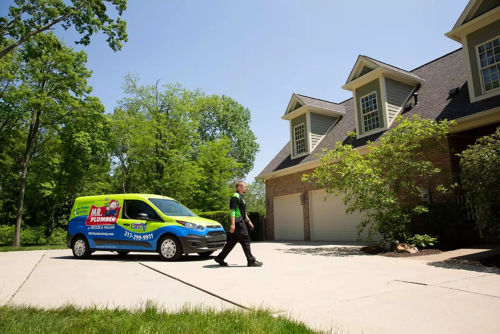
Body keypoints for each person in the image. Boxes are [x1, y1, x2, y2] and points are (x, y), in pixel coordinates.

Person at [214, 181, 263, 267]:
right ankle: (251, 261)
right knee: (246, 240)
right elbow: (232, 211)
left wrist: (249, 221)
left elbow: (242, 212)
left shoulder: (241, 197)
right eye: (244, 187)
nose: (246, 188)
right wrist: (232, 224)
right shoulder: (235, 197)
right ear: (239, 187)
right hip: (238, 222)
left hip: (239, 221)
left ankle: (220, 258)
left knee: (231, 242)